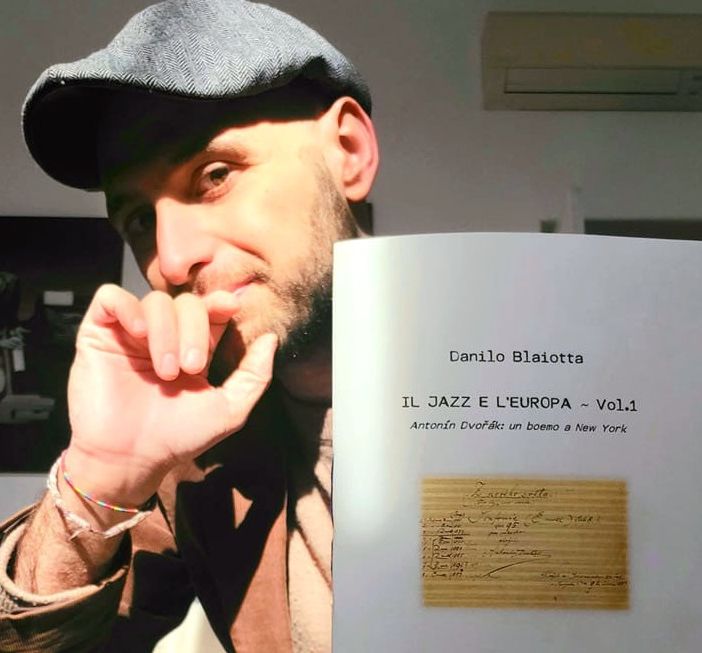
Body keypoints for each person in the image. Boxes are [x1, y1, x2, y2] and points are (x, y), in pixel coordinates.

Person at [0, 1, 379, 651]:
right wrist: (96, 482)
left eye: (215, 175)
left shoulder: (536, 378)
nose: (170, 261)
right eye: (140, 220)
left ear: (348, 151)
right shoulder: (196, 452)